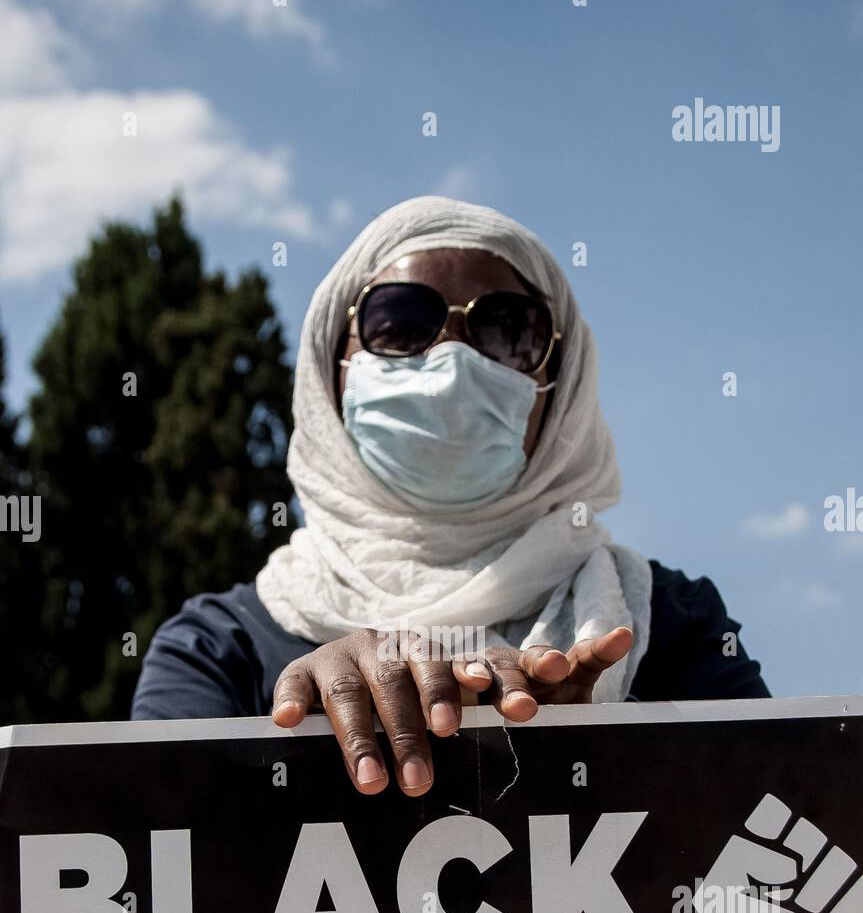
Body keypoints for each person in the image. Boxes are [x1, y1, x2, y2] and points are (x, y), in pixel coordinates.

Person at [132, 196, 767, 793]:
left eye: (506, 328)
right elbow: (156, 869)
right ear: (331, 369)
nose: (453, 360)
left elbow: (787, 859)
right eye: (400, 323)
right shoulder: (218, 648)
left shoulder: (674, 623)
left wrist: (585, 761)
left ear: (563, 388)